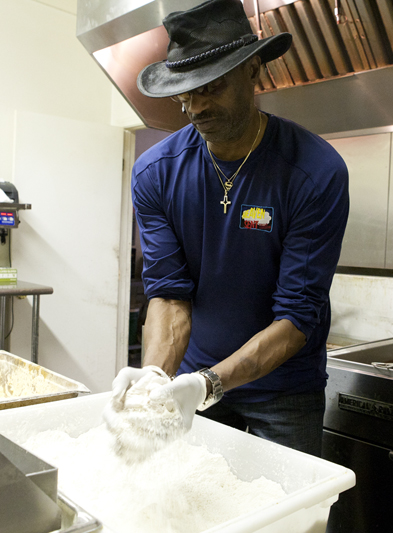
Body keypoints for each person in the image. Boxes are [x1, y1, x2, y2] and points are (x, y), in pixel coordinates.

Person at [107, 0, 349, 457]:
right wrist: (158, 378)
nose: (195, 107)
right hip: (189, 377)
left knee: (288, 522)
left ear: (253, 69)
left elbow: (297, 316)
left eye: (212, 87)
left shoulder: (314, 172)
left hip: (285, 393)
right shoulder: (155, 174)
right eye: (185, 91)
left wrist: (209, 384)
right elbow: (169, 292)